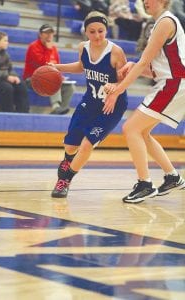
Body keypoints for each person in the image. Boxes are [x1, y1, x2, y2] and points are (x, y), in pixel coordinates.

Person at [103, 0, 185, 203]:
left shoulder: (165, 22)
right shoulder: (160, 23)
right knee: (142, 131)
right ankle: (172, 176)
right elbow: (154, 67)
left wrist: (118, 89)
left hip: (174, 84)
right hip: (170, 81)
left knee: (130, 128)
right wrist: (132, 65)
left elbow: (144, 63)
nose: (145, 1)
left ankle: (145, 184)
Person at [51, 11, 128, 198]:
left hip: (111, 106)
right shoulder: (82, 47)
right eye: (92, 31)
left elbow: (126, 80)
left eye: (101, 31)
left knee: (86, 145)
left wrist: (115, 89)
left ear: (106, 30)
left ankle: (65, 180)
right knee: (70, 146)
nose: (97, 36)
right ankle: (68, 160)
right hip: (90, 101)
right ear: (85, 32)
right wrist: (56, 67)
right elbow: (82, 66)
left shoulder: (116, 52)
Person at [23, 24, 75, 115]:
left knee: (70, 87)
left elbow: (57, 66)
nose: (49, 35)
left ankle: (61, 110)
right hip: (32, 79)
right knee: (52, 80)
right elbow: (43, 65)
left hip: (46, 77)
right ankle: (56, 106)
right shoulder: (34, 46)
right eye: (46, 33)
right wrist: (48, 49)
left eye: (51, 33)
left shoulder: (53, 48)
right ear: (40, 34)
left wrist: (60, 77)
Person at [0, 31, 29, 113]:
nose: (7, 43)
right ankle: (8, 113)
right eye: (5, 40)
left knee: (21, 85)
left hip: (4, 78)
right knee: (7, 88)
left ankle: (23, 113)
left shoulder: (6, 54)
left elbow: (10, 69)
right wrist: (7, 77)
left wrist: (14, 76)